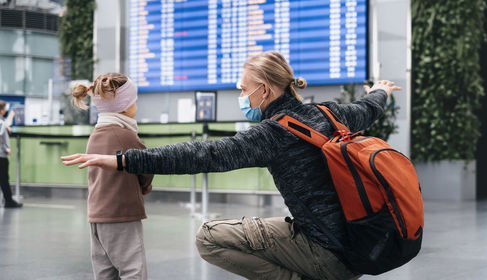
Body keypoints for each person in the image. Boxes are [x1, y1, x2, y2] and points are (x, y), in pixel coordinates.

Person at [62, 51, 403, 280]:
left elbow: (201, 155)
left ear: (264, 91)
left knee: (208, 238)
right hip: (360, 242)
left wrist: (122, 160)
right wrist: (381, 91)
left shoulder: (272, 133)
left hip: (327, 255)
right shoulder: (331, 112)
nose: (242, 96)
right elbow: (366, 107)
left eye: (243, 89)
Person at [71, 73, 154, 279]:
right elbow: (146, 165)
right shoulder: (126, 135)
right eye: (134, 100)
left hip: (97, 215)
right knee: (133, 270)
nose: (136, 104)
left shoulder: (96, 134)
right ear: (124, 105)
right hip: (121, 214)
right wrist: (145, 186)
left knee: (105, 273)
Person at [0, 100, 21, 208]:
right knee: (4, 178)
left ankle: (8, 200)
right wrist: (5, 148)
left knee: (3, 177)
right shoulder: (1, 122)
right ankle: (8, 201)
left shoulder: (2, 121)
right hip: (1, 154)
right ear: (2, 110)